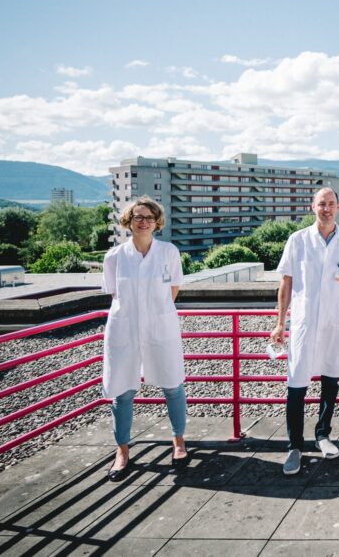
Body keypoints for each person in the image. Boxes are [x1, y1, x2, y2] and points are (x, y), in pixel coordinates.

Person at [271, 188, 339, 475]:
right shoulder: (298, 240)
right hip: (304, 322)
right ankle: (294, 446)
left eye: (331, 204)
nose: (326, 209)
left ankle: (323, 435)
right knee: (297, 384)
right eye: (321, 204)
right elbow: (286, 284)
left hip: (338, 320)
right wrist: (279, 322)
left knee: (331, 379)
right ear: (312, 207)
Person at [102, 196, 188, 482]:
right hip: (124, 329)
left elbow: (173, 289)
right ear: (128, 220)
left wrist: (157, 312)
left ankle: (178, 442)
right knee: (122, 390)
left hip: (160, 327)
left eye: (149, 217)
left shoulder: (168, 252)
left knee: (172, 384)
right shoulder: (114, 257)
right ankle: (122, 452)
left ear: (157, 222)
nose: (144, 222)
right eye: (138, 217)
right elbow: (115, 293)